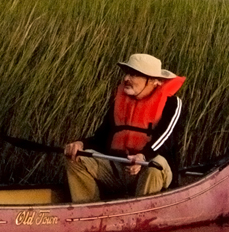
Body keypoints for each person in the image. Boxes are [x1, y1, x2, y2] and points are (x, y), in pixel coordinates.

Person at [63, 53, 185, 202]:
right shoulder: (119, 102)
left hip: (148, 167)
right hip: (118, 169)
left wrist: (143, 156)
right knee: (77, 158)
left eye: (134, 74)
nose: (126, 78)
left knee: (156, 165)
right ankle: (88, 211)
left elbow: (166, 139)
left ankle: (142, 216)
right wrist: (81, 144)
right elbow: (102, 136)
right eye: (127, 73)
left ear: (153, 81)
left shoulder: (172, 104)